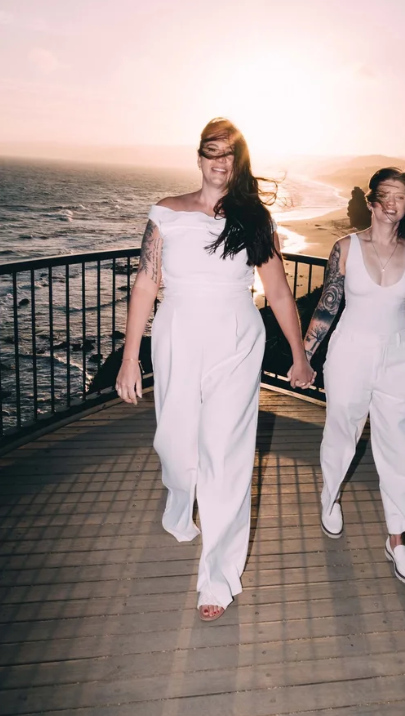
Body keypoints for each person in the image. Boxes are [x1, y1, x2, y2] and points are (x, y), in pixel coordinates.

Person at [115, 118, 315, 622]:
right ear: (199, 156)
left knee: (226, 458)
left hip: (236, 341)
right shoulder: (165, 213)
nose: (220, 161)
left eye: (229, 154)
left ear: (238, 161)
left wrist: (299, 353)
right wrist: (129, 357)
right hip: (177, 337)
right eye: (212, 151)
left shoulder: (254, 219)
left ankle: (219, 577)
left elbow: (279, 292)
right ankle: (181, 506)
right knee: (177, 448)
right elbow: (145, 283)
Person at [303, 167, 405, 585]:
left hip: (397, 355)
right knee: (342, 431)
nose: (394, 202)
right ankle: (330, 499)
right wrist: (304, 355)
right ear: (372, 200)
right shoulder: (344, 248)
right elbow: (328, 306)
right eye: (387, 194)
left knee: (403, 446)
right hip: (349, 352)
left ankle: (396, 540)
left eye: (401, 196)